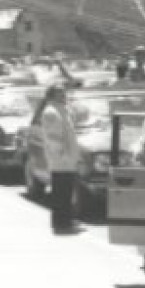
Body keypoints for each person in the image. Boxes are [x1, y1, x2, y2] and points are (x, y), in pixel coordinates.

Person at [39, 83, 84, 234]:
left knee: (66, 193)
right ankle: (61, 224)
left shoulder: (61, 110)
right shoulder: (51, 112)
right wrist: (63, 156)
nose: (64, 95)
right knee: (61, 193)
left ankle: (65, 221)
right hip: (61, 161)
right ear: (51, 95)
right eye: (59, 93)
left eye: (64, 93)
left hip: (66, 160)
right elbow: (53, 138)